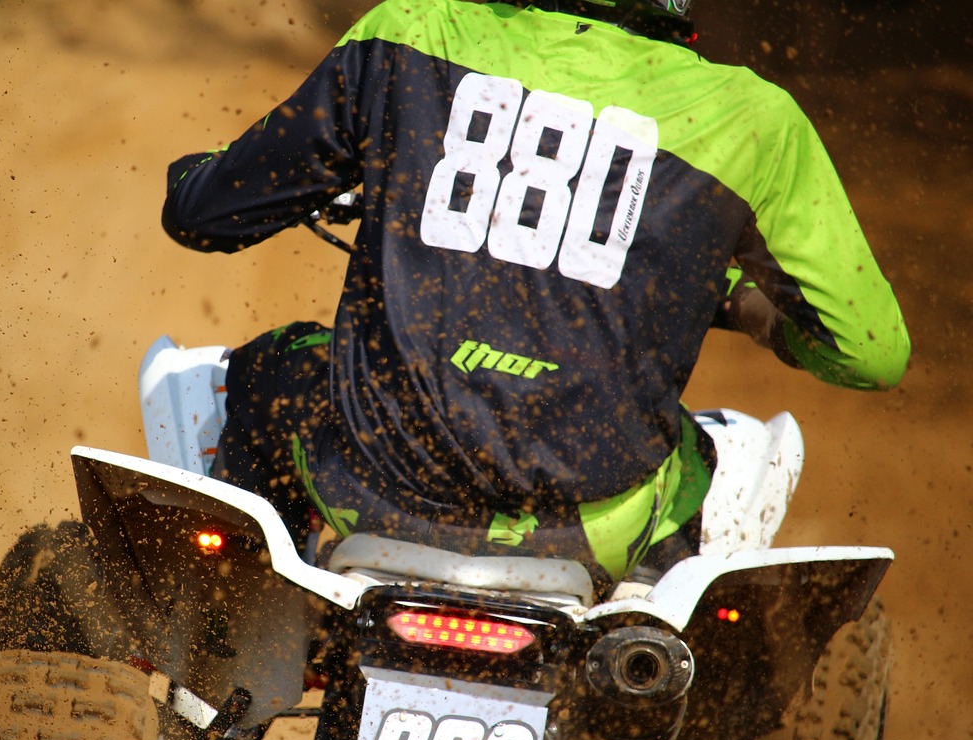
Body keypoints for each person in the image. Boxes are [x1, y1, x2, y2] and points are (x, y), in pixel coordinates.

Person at [161, 0, 909, 588]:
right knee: (720, 455)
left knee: (270, 368)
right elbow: (872, 352)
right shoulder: (754, 118)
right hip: (587, 529)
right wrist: (750, 308)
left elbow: (204, 214)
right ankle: (639, 679)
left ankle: (224, 674)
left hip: (374, 486)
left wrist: (200, 174)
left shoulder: (413, 30)